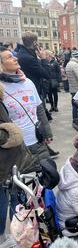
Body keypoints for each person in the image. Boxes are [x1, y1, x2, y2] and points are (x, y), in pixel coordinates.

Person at [0, 82, 39, 247]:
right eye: (9, 56)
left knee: (19, 200)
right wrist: (8, 134)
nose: (15, 59)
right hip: (4, 163)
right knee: (4, 201)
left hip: (15, 160)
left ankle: (19, 234)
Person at [0, 47, 52, 161]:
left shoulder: (27, 82)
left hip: (38, 140)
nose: (15, 58)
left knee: (49, 174)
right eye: (9, 57)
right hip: (16, 147)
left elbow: (39, 109)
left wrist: (47, 131)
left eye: (13, 55)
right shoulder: (1, 88)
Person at [66, 50, 78, 129]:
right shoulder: (75, 65)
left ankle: (74, 120)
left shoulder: (69, 64)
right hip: (77, 88)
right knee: (77, 106)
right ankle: (76, 121)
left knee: (74, 105)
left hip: (72, 87)